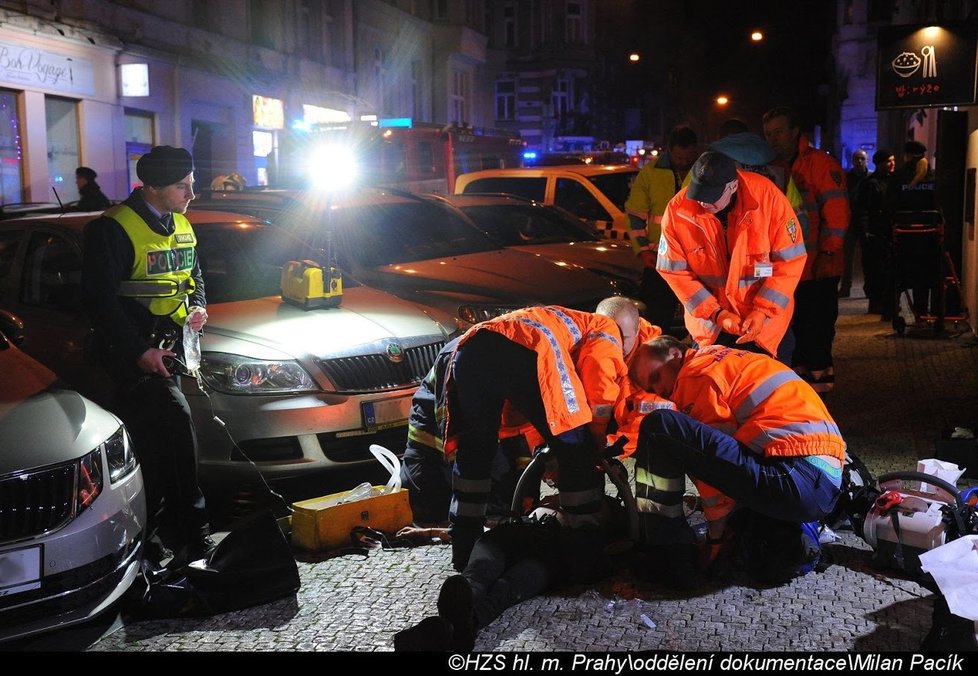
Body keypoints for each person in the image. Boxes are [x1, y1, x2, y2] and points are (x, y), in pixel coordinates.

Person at [81, 145, 214, 566]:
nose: (192, 193)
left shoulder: (181, 223)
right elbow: (100, 302)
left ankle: (153, 543)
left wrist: (198, 306)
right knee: (174, 436)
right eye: (182, 185)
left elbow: (193, 275)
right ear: (151, 187)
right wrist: (139, 352)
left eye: (191, 183)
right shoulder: (112, 229)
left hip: (167, 351)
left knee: (158, 447)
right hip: (133, 358)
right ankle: (190, 537)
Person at [627, 336, 845, 587]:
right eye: (652, 389)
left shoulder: (695, 376)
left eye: (656, 377)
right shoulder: (724, 360)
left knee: (660, 425)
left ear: (675, 354)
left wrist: (715, 539)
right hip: (824, 483)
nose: (660, 390)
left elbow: (714, 468)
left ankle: (665, 553)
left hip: (792, 476)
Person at [443, 303, 638, 571]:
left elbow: (540, 407)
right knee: (578, 453)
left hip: (469, 348)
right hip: (524, 352)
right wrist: (595, 435)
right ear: (632, 331)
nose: (625, 347)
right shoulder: (605, 327)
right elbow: (598, 375)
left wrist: (547, 451)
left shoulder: (559, 320)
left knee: (475, 453)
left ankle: (464, 549)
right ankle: (585, 555)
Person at [392, 495, 626, 652]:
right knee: (476, 578)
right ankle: (461, 626)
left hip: (546, 557)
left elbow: (600, 561)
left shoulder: (591, 535)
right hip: (509, 539)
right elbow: (488, 526)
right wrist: (429, 532)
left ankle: (457, 626)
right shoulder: (540, 511)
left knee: (506, 588)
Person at [655, 151, 806, 365]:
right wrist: (717, 314)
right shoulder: (678, 211)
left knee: (770, 393)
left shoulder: (767, 198)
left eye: (712, 195)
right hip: (712, 328)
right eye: (698, 193)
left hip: (766, 328)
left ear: (732, 186)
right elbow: (674, 272)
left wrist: (762, 312)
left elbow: (790, 261)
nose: (703, 202)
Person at [763, 106, 850, 395]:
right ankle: (801, 393)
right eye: (768, 134)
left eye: (778, 132)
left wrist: (828, 253)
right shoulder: (774, 166)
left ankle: (821, 393)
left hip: (818, 268)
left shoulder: (819, 165)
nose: (773, 139)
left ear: (794, 131)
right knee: (796, 333)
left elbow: (836, 212)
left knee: (818, 332)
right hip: (791, 272)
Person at [624, 125, 700, 332]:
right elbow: (635, 214)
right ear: (669, 151)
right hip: (660, 258)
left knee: (697, 317)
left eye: (688, 158)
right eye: (679, 158)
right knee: (656, 317)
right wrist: (643, 250)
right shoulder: (651, 172)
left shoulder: (703, 170)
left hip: (696, 258)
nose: (684, 162)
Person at [857, 149, 897, 319]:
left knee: (887, 269)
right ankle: (876, 302)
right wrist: (866, 231)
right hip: (875, 233)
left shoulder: (894, 182)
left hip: (889, 232)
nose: (892, 164)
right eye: (889, 161)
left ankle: (886, 302)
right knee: (874, 269)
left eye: (893, 160)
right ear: (880, 164)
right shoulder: (871, 184)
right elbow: (862, 209)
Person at [839, 149, 870, 298]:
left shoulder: (870, 178)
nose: (859, 161)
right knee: (847, 257)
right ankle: (846, 287)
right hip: (850, 220)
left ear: (866, 161)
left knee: (868, 256)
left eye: (862, 159)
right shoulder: (847, 178)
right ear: (852, 161)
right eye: (857, 159)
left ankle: (869, 288)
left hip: (865, 220)